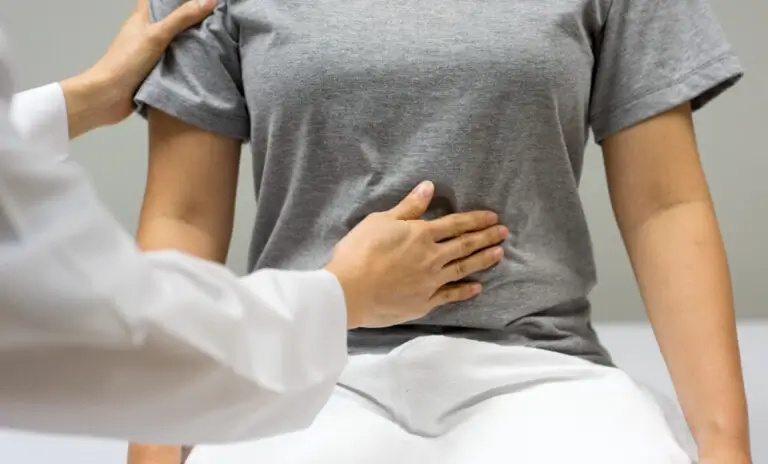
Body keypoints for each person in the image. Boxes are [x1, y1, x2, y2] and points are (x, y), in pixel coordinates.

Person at [130, 0, 752, 462]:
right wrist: (155, 453)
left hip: (539, 364)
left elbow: (664, 206)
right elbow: (183, 218)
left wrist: (726, 449)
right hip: (303, 367)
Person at [0, 0, 508, 444]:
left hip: (531, 363)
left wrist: (83, 99)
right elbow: (158, 256)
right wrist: (343, 295)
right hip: (324, 381)